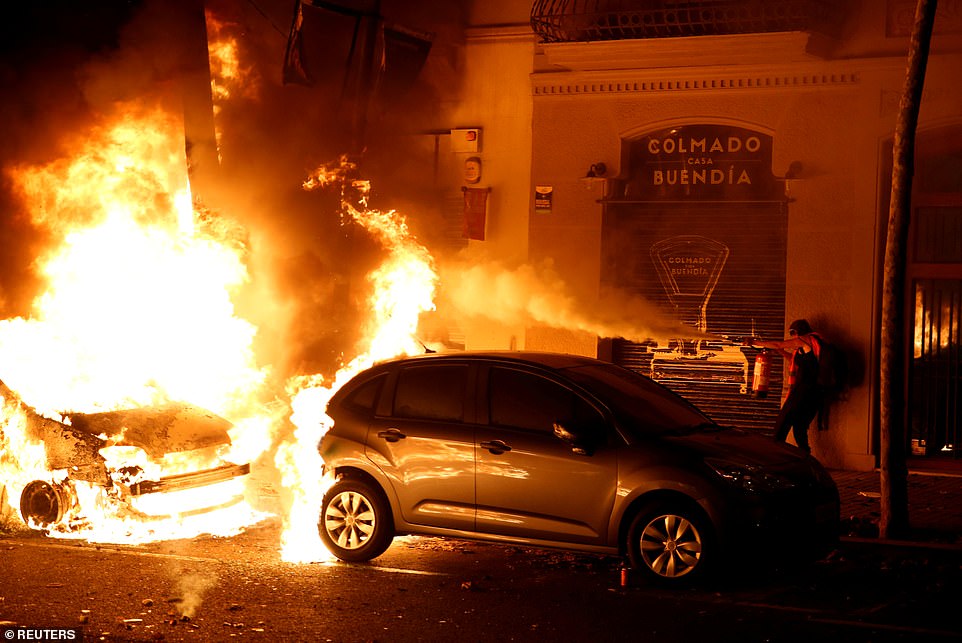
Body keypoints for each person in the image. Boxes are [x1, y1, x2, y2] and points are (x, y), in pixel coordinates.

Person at [747, 319, 824, 454]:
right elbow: (796, 361)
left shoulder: (805, 340)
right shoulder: (808, 346)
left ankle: (774, 455)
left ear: (797, 332)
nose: (792, 337)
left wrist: (753, 342)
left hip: (803, 391)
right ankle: (805, 457)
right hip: (813, 393)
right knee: (799, 426)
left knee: (782, 423)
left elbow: (778, 344)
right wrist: (780, 352)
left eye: (792, 333)